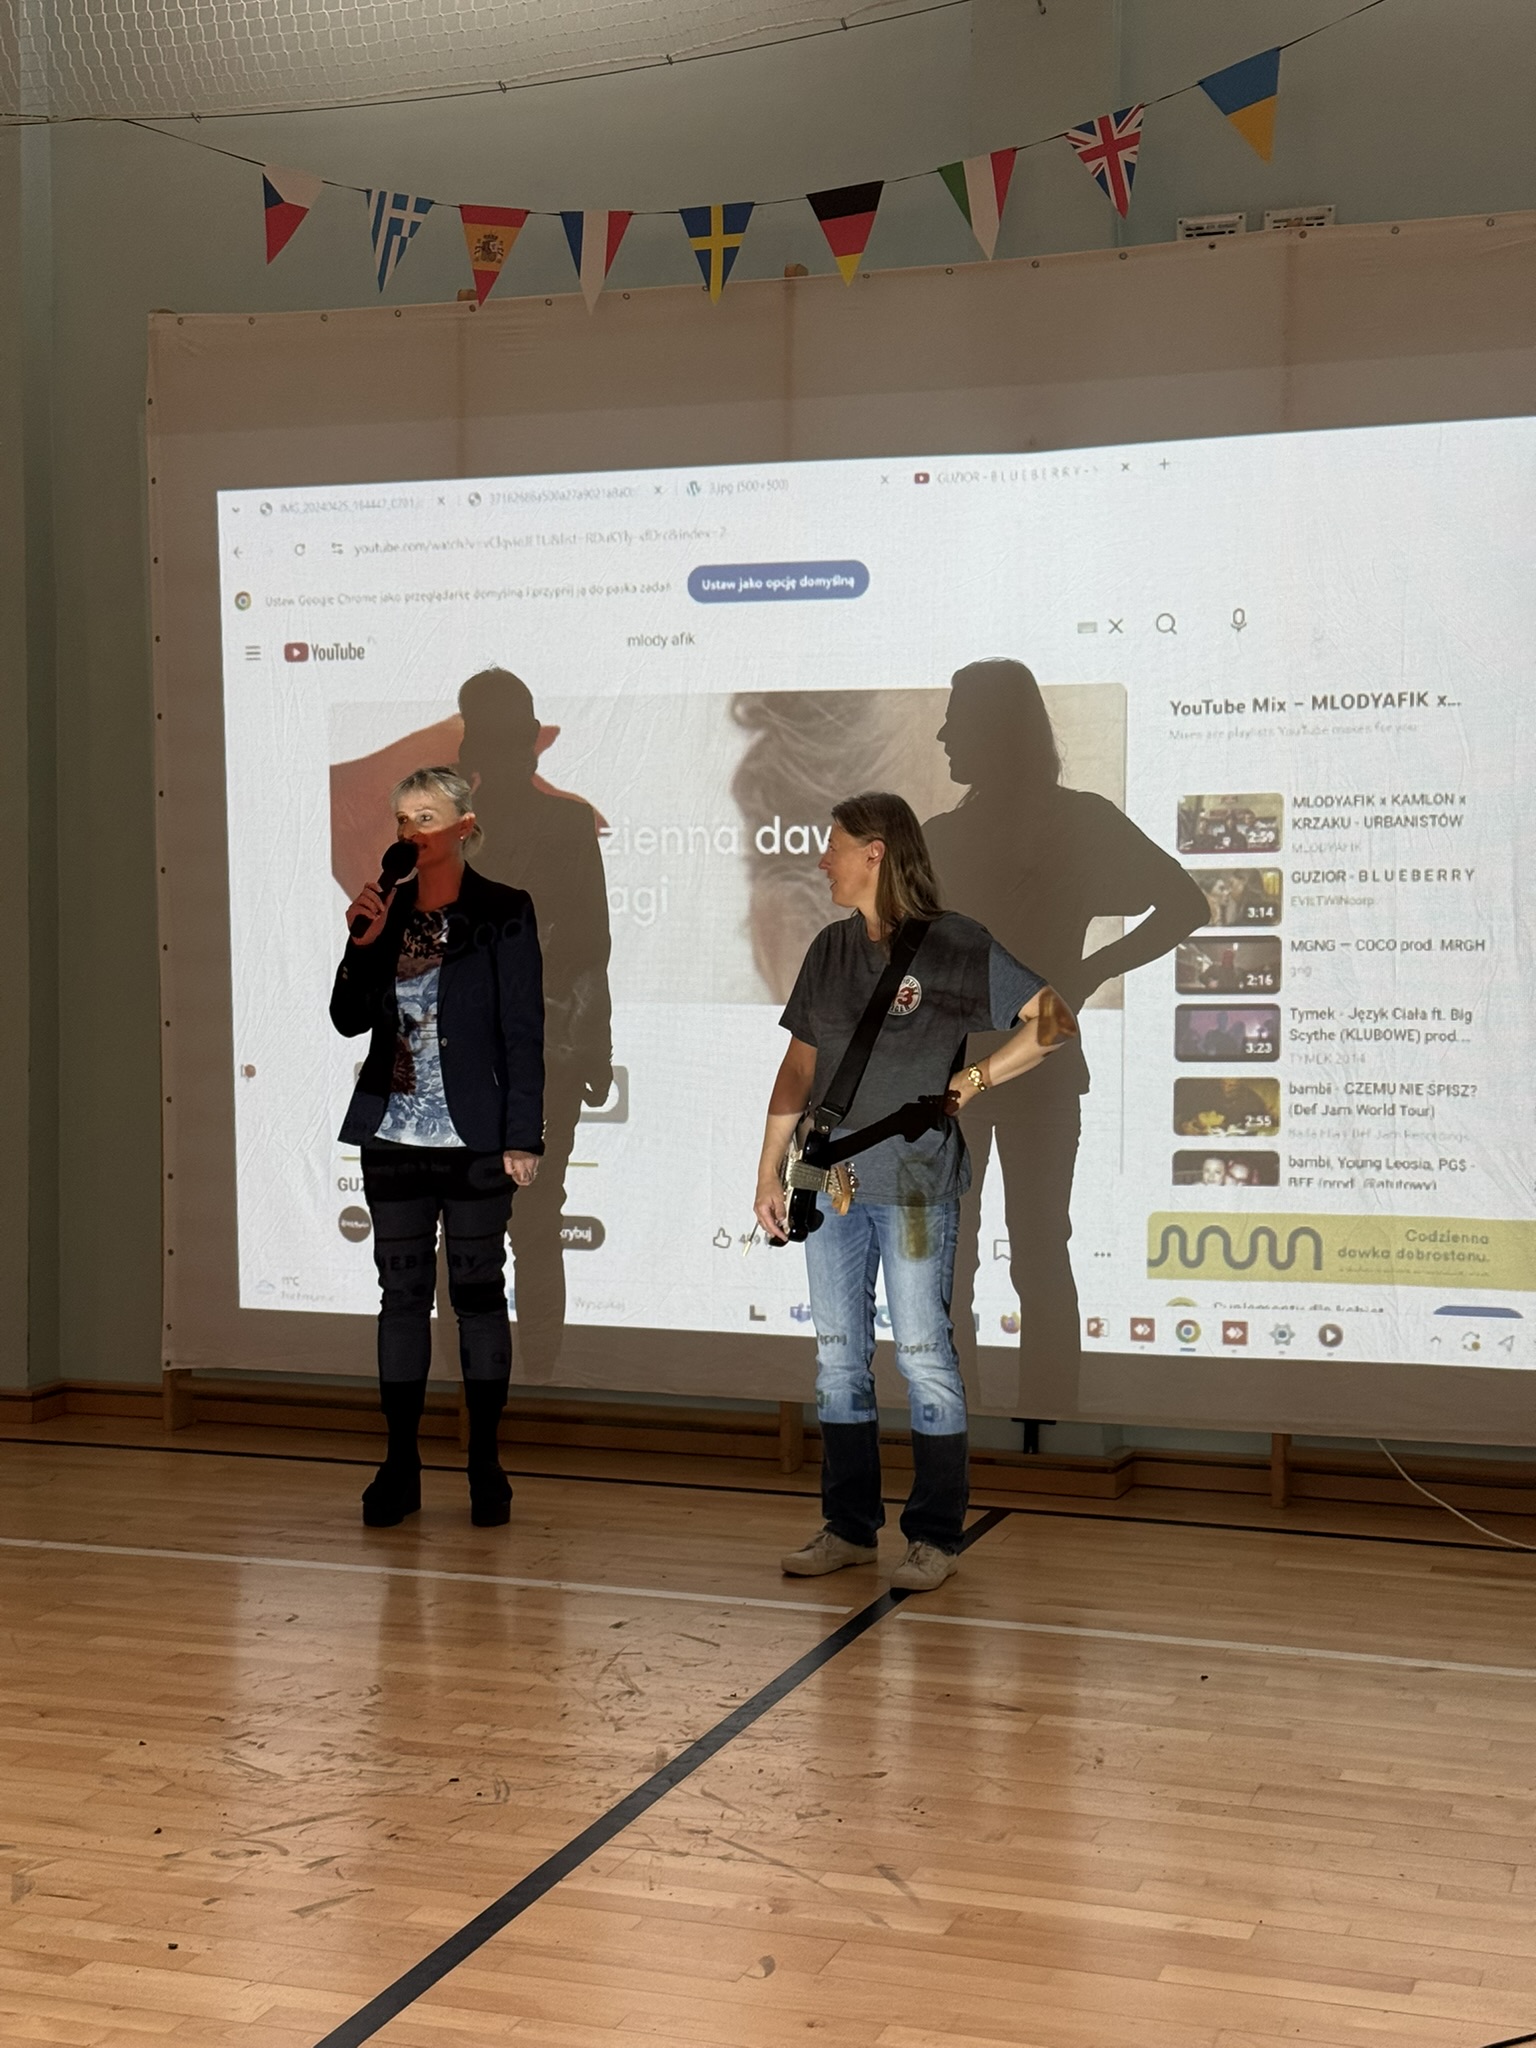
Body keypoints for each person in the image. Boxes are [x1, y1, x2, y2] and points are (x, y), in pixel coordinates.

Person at [753, 792, 1068, 1593]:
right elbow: (799, 1068)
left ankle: (933, 1537)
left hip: (920, 1184)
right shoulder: (829, 949)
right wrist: (768, 1170)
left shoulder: (956, 943)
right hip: (830, 1180)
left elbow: (1052, 1021)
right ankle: (849, 1529)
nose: (821, 860)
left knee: (924, 1352)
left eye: (833, 846)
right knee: (837, 1358)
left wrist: (974, 1079)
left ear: (876, 853)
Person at [923, 660, 1208, 1400]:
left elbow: (1187, 904)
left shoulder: (971, 835)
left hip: (976, 1074)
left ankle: (962, 1427)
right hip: (997, 1072)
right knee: (1032, 1255)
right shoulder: (1045, 824)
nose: (944, 733)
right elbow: (1186, 904)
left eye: (958, 718)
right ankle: (1040, 1428)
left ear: (996, 729)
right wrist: (1084, 974)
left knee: (981, 1259)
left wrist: (1088, 973)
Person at [332, 767, 545, 1530]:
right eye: (402, 819)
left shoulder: (504, 910)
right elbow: (348, 1019)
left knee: (478, 1299)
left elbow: (523, 1028)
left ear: (464, 826)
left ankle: (485, 1461)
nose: (411, 831)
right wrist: (360, 944)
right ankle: (400, 1464)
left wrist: (523, 1135)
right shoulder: (384, 913)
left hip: (476, 1138)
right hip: (392, 1136)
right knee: (401, 1299)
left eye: (426, 816)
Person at [456, 669, 613, 1382]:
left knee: (529, 1219)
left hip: (539, 1054)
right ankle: (489, 1375)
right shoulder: (452, 834)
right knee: (506, 1222)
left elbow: (591, 945)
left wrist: (594, 1049)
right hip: (485, 1059)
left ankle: (527, 1376)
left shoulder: (565, 825)